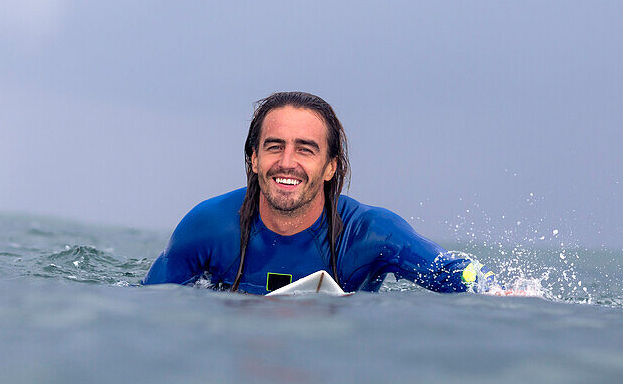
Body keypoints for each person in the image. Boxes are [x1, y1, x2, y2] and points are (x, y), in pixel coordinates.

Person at [143, 92, 500, 294]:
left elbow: (452, 274)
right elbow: (147, 305)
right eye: (274, 146)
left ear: (330, 166)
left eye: (305, 149)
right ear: (253, 158)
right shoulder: (208, 226)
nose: (287, 162)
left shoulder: (371, 234)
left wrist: (502, 293)